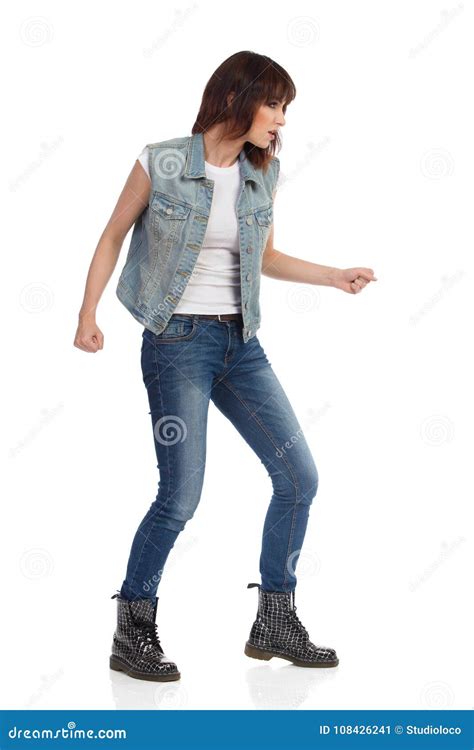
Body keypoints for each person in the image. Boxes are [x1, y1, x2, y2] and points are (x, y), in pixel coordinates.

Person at [74, 50, 377, 682]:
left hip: (243, 346)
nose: (282, 122)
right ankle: (133, 630)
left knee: (299, 477)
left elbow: (265, 256)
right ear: (240, 99)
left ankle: (274, 621)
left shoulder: (263, 173)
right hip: (176, 345)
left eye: (286, 109)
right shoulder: (160, 160)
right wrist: (88, 314)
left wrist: (333, 276)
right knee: (180, 497)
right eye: (276, 105)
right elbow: (110, 236)